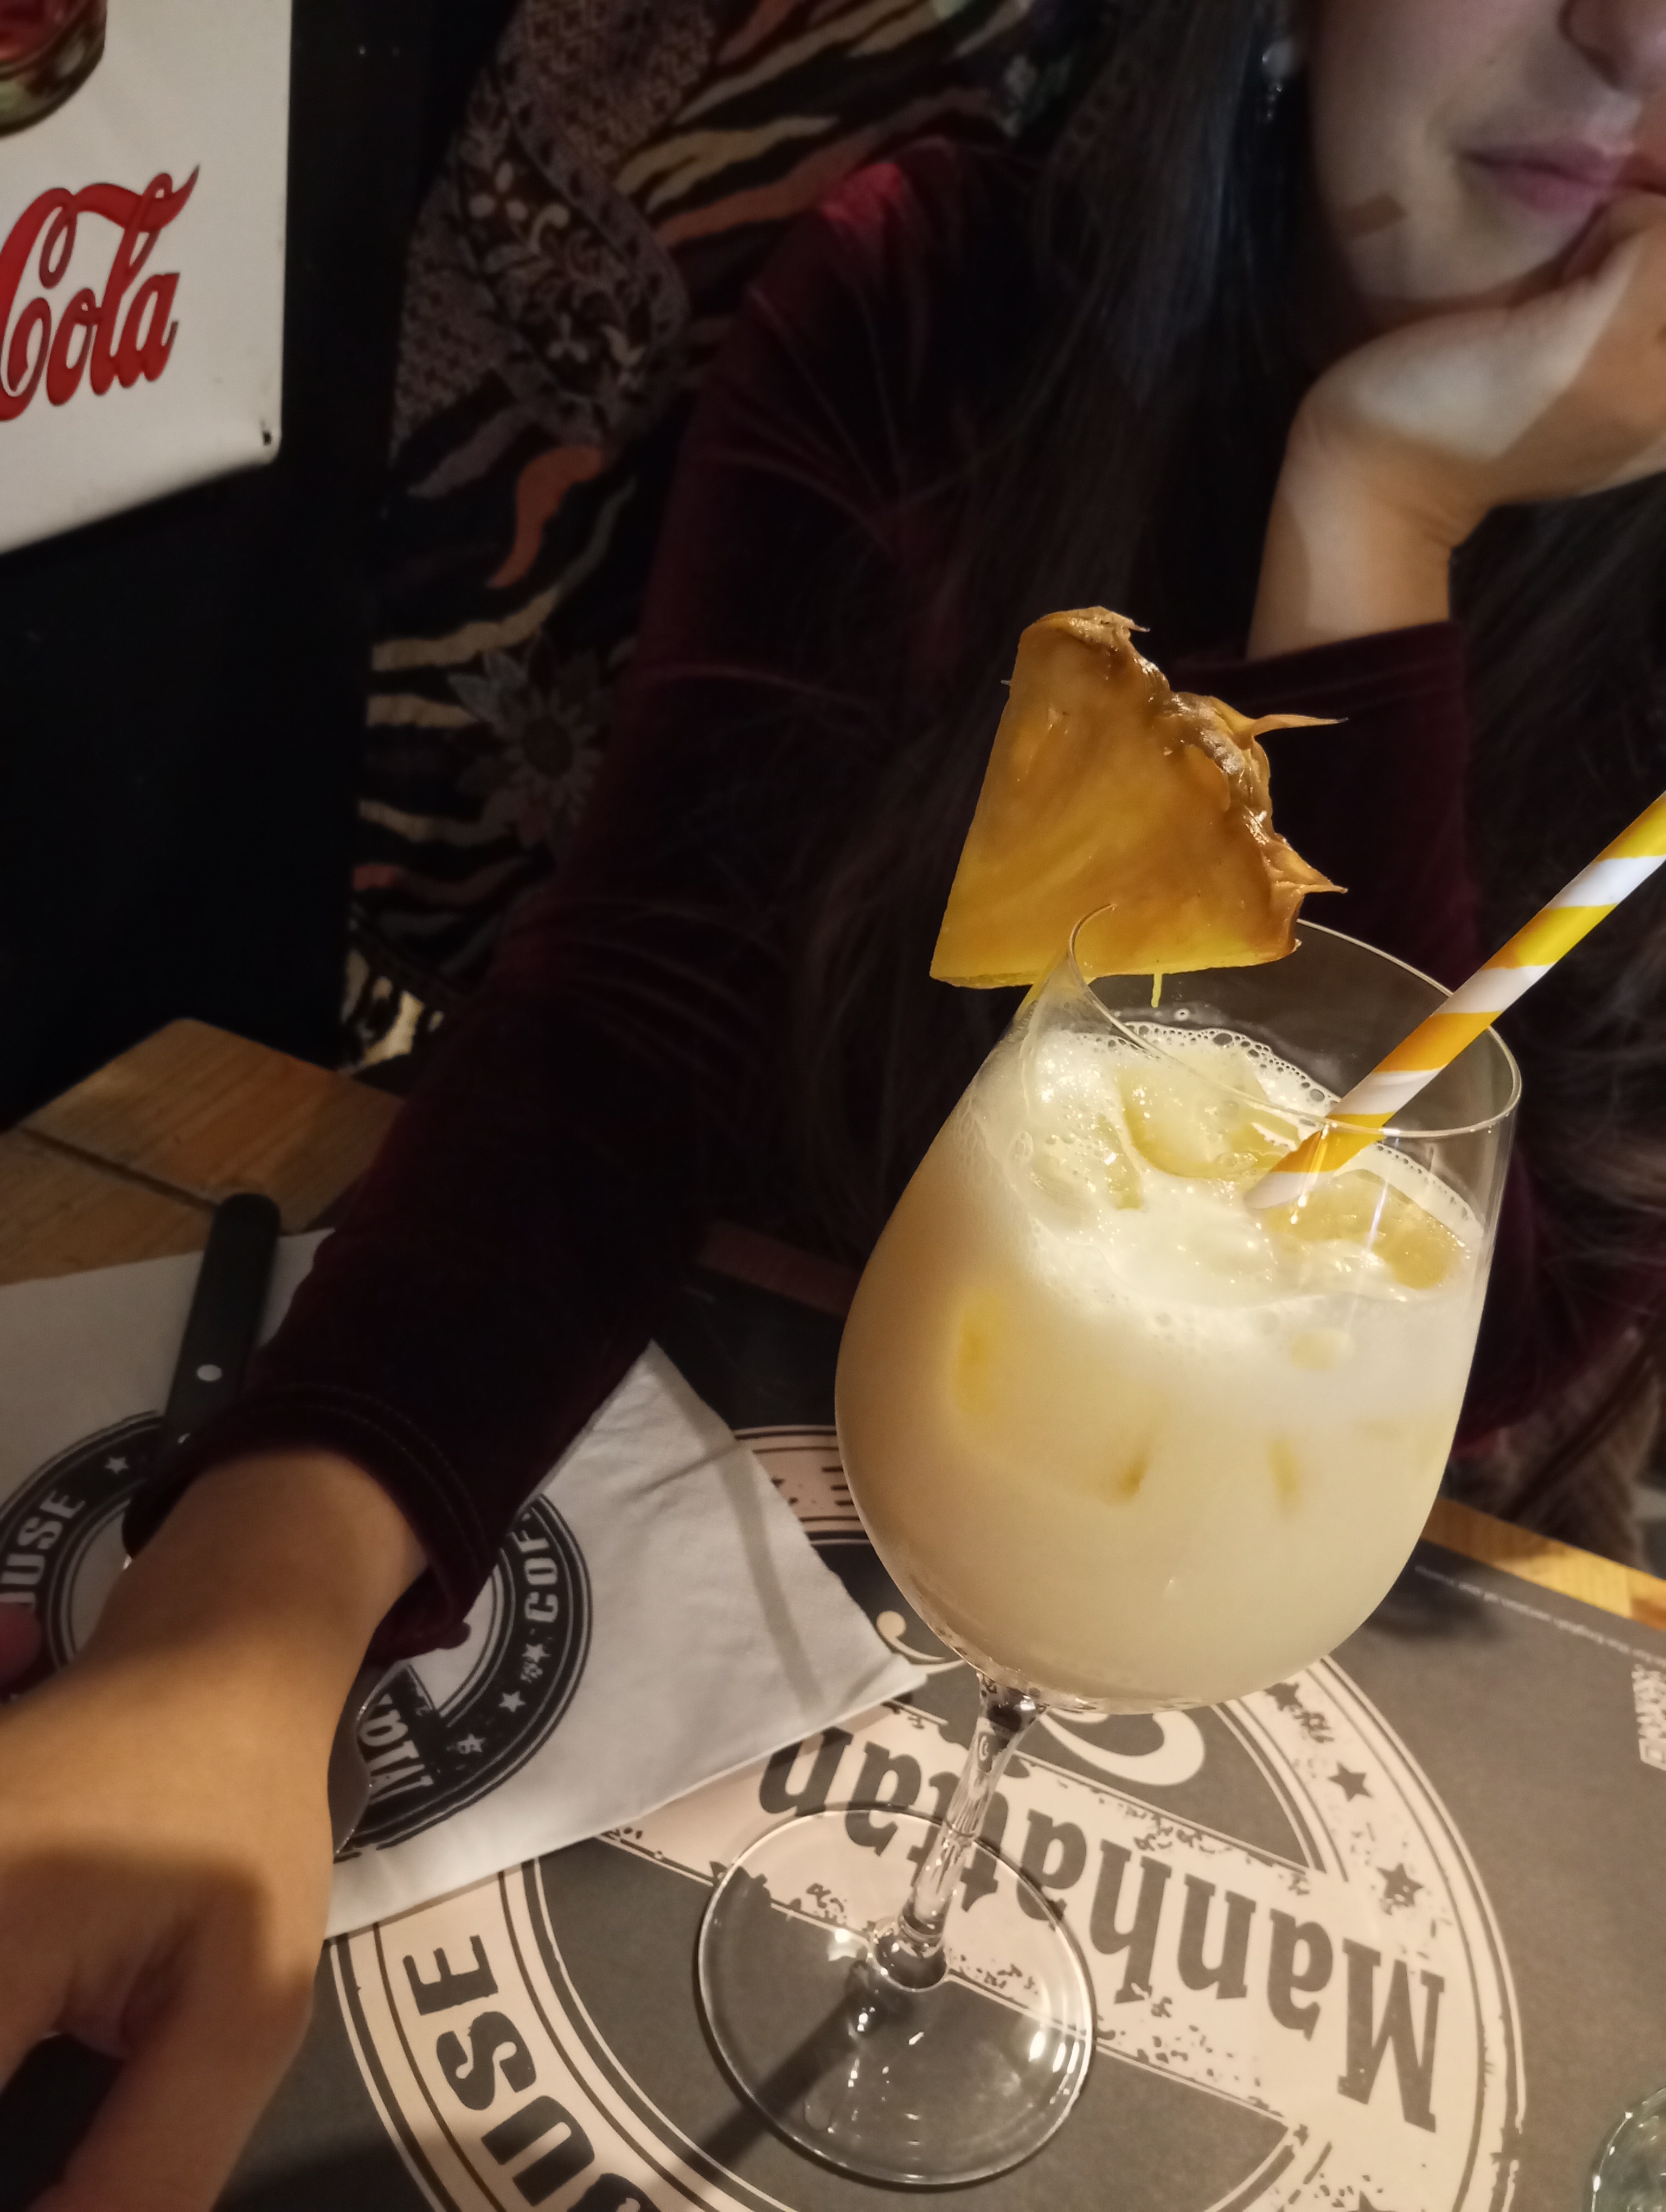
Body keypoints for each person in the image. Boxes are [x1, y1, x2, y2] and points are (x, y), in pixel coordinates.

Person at [4, 2, 1666, 2205]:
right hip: (698, 1442)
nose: (1634, 35)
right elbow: (644, 1001)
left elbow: (1465, 1376)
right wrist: (246, 1615)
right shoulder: (939, 295)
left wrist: (1375, 508)